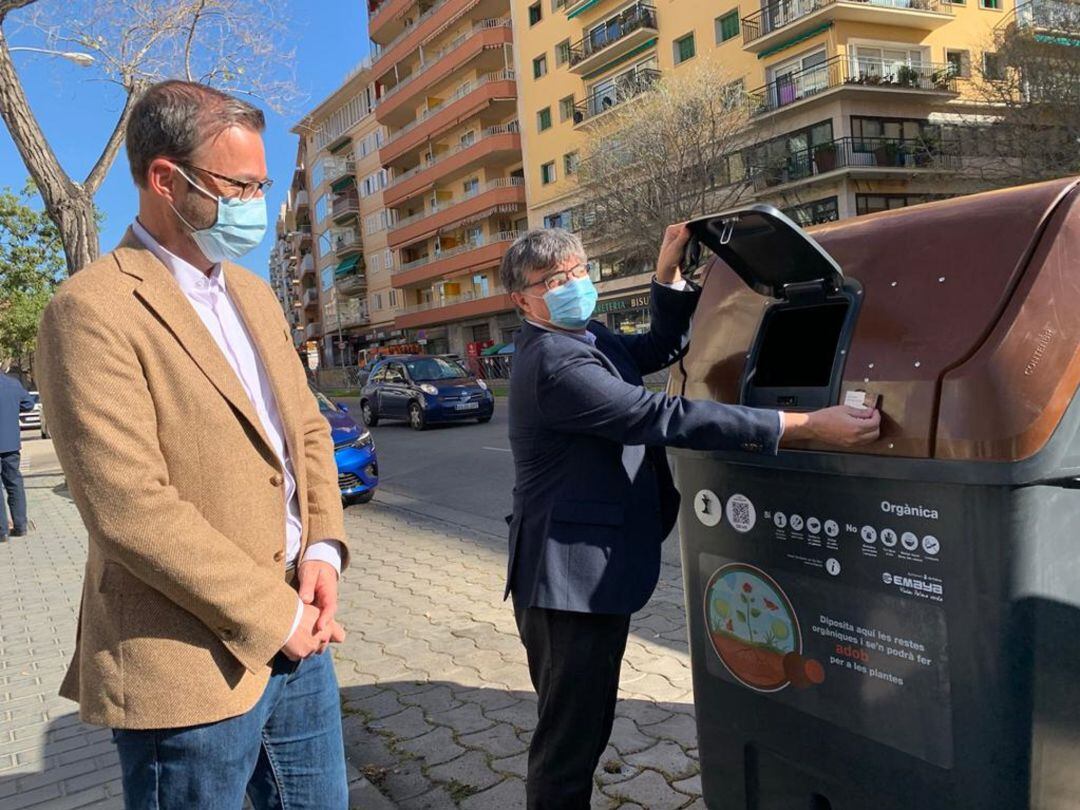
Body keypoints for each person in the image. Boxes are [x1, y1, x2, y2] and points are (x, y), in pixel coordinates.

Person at [36, 81, 350, 809]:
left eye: (260, 185)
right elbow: (130, 510)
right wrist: (276, 617)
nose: (253, 205)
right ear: (165, 180)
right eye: (239, 185)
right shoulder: (90, 311)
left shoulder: (254, 293)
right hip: (185, 670)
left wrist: (324, 549)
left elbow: (305, 430)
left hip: (303, 645)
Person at [499, 226, 880, 809]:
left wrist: (666, 273)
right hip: (566, 586)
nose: (574, 285)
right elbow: (657, 415)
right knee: (568, 743)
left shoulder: (585, 335)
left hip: (587, 577)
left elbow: (657, 347)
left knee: (588, 725)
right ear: (523, 299)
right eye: (555, 280)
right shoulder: (553, 361)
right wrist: (800, 425)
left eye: (579, 271)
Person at [0, 369, 34, 540]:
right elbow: (29, 404)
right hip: (10, 443)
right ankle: (20, 526)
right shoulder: (13, 384)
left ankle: (2, 531)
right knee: (14, 483)